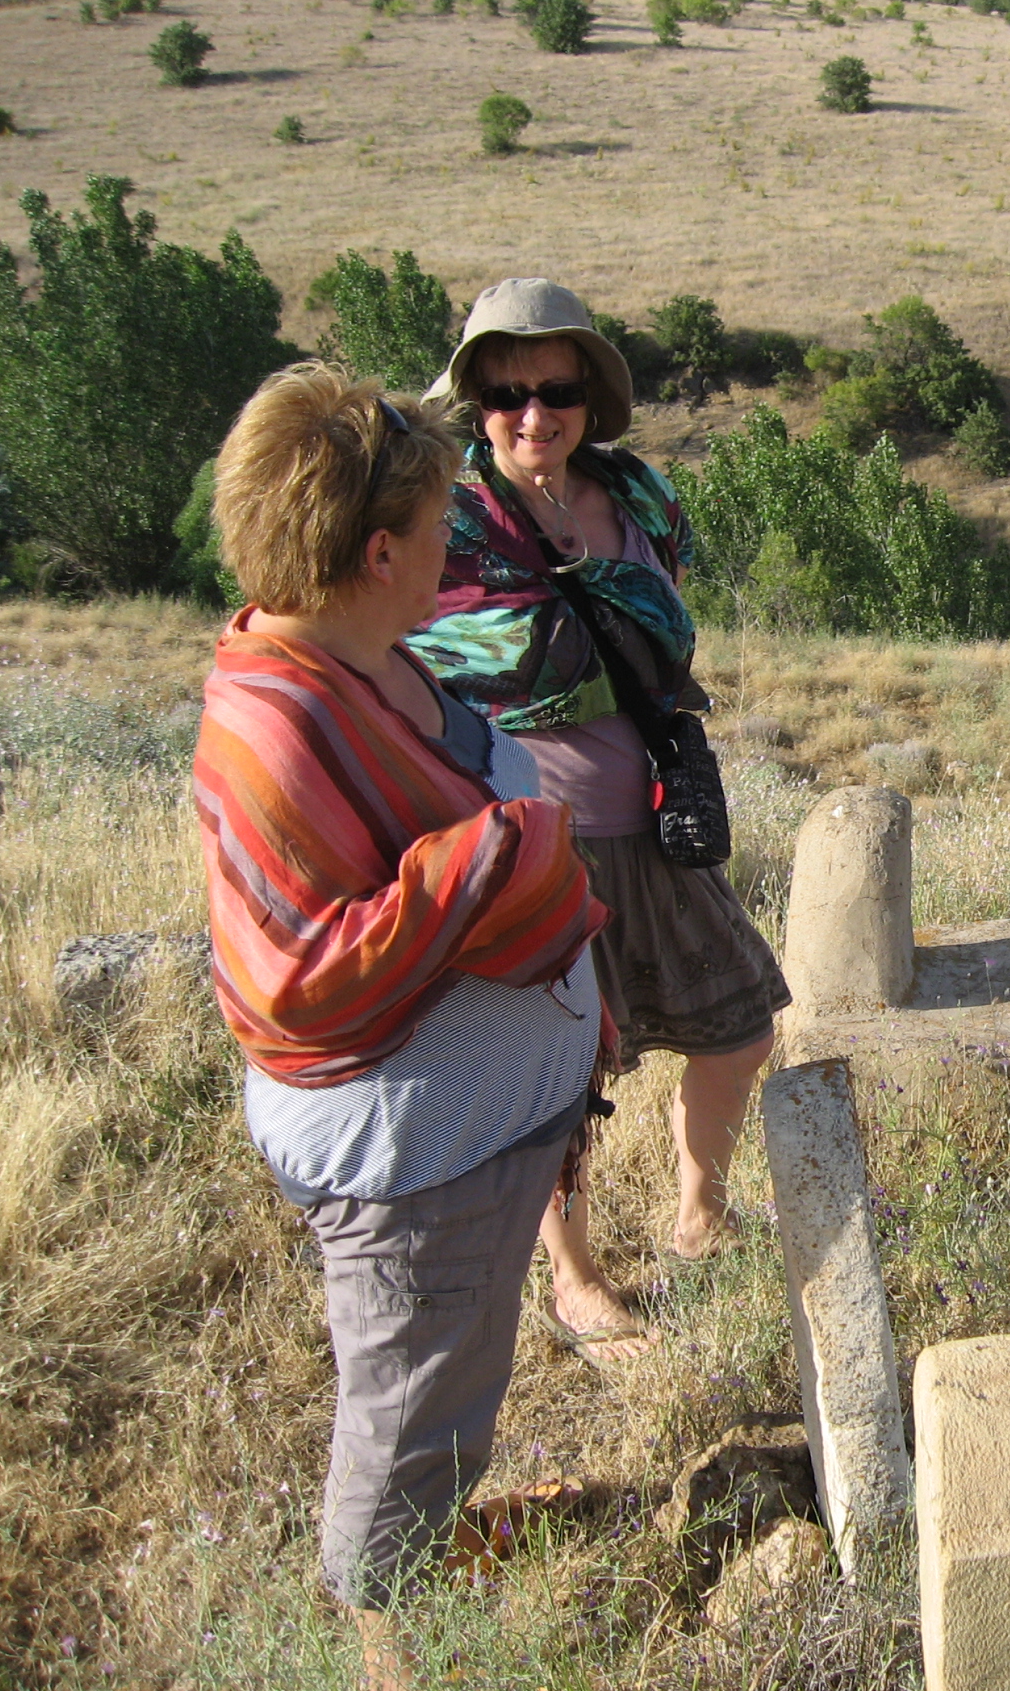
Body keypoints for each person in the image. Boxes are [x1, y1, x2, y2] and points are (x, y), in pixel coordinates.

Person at [193, 363, 612, 1686]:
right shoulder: (279, 723)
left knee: (450, 1378)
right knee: (406, 1423)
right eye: (437, 529)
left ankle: (434, 1555)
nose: (455, 546)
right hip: (414, 1175)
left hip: (463, 1148)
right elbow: (300, 978)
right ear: (378, 553)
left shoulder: (353, 654)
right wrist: (505, 857)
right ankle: (398, 1646)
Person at [409, 278, 790, 1365]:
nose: (534, 414)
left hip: (653, 819)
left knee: (738, 1028)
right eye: (506, 394)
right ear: (476, 403)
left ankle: (700, 1215)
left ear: (590, 397)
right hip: (531, 839)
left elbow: (661, 638)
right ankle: (575, 1282)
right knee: (560, 1080)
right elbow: (414, 663)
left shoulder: (639, 498)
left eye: (557, 390)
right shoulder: (447, 523)